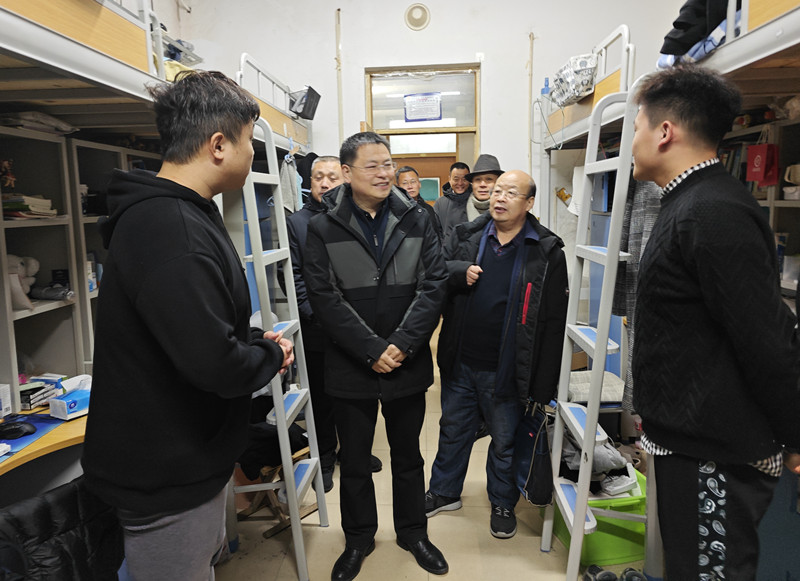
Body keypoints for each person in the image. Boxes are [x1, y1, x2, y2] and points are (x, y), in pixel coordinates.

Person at [80, 70, 294, 581]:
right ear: (218, 145)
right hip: (165, 473)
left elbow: (196, 324)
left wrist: (247, 341)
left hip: (182, 457)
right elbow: (214, 364)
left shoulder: (182, 215)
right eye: (248, 141)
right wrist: (269, 356)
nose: (251, 154)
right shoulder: (170, 227)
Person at [630, 65, 800, 580]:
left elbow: (765, 338)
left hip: (713, 451)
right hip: (692, 444)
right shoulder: (688, 202)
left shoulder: (712, 211)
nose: (632, 142)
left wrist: (796, 433)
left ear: (664, 132)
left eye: (636, 128)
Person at [304, 132, 449, 580]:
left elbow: (434, 285)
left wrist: (402, 343)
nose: (385, 173)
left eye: (388, 164)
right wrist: (370, 349)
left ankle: (413, 533)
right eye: (373, 166)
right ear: (347, 173)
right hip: (350, 364)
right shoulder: (322, 227)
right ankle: (358, 539)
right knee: (354, 461)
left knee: (408, 456)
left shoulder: (418, 219)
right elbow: (324, 297)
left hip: (407, 360)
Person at [426, 169, 568, 539]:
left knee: (505, 442)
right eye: (497, 191)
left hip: (508, 368)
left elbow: (553, 322)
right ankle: (443, 491)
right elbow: (435, 274)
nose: (499, 198)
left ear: (529, 202)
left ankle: (503, 502)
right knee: (452, 430)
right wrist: (458, 271)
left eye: (510, 192)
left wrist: (543, 386)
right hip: (461, 360)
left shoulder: (546, 250)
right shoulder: (467, 236)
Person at [284, 155, 382, 493]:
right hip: (319, 330)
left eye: (332, 177)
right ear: (308, 182)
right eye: (318, 177)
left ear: (345, 180)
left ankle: (354, 453)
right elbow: (293, 278)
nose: (325, 183)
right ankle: (324, 456)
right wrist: (322, 316)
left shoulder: (357, 218)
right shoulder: (297, 223)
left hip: (356, 330)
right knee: (322, 398)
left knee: (357, 396)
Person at [395, 165, 444, 242]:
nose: (410, 186)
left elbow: (436, 238)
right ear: (398, 187)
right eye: (405, 183)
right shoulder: (393, 212)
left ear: (419, 184)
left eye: (413, 182)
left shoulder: (428, 209)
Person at [433, 161, 471, 240]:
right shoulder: (440, 203)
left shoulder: (475, 200)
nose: (460, 183)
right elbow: (436, 233)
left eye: (464, 179)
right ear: (449, 179)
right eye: (456, 179)